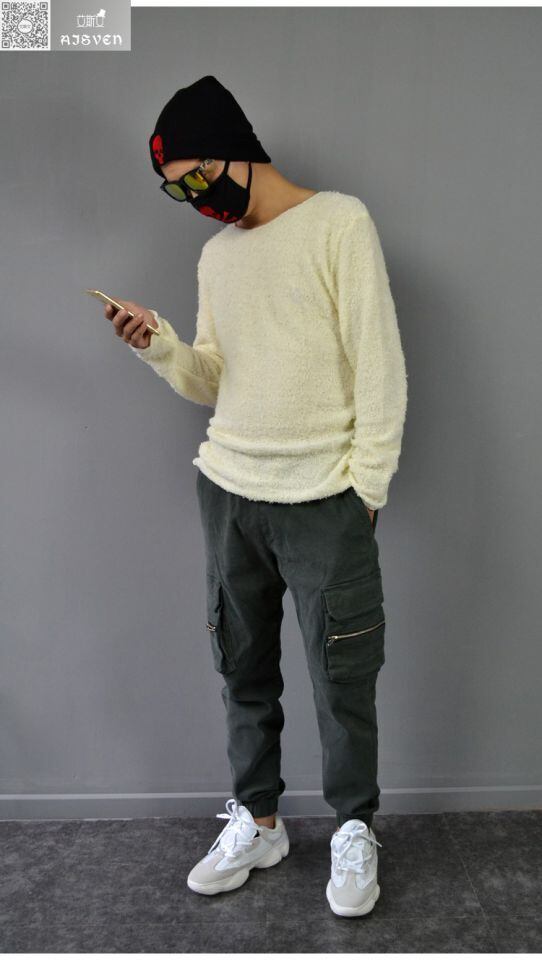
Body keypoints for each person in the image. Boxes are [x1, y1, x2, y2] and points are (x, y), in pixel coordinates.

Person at [105, 75, 408, 918]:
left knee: (342, 678)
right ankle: (259, 821)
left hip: (324, 498)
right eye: (179, 190)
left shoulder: (339, 222)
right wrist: (159, 345)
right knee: (242, 669)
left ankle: (354, 827)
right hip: (230, 491)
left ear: (235, 148)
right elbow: (214, 379)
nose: (196, 198)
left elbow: (379, 364)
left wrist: (367, 489)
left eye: (198, 177)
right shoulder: (218, 257)